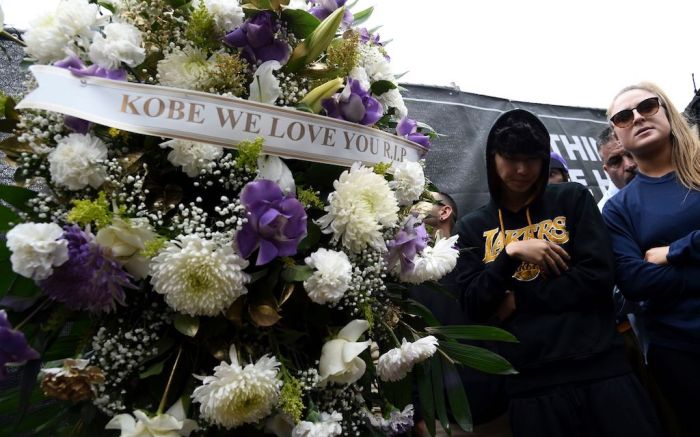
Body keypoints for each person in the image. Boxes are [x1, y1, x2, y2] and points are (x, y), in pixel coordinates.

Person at [455, 109, 661, 437]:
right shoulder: (471, 227)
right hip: (530, 387)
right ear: (492, 157)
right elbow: (474, 306)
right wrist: (510, 254)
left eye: (532, 159)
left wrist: (517, 299)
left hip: (602, 370)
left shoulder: (572, 199)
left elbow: (597, 279)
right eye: (510, 158)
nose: (522, 170)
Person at [603, 82, 700, 437]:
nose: (638, 117)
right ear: (617, 133)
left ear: (666, 110)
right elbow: (635, 280)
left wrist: (676, 251)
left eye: (647, 106)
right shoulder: (617, 210)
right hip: (681, 353)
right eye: (624, 116)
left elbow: (654, 274)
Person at [412, 192, 512, 437]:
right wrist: (417, 415)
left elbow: (509, 307)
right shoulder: (402, 271)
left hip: (500, 408)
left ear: (444, 211)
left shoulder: (478, 257)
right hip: (440, 419)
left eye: (419, 200)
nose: (409, 207)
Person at [596, 126, 637, 210]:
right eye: (615, 161)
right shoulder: (603, 215)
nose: (628, 165)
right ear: (607, 171)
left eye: (632, 154)